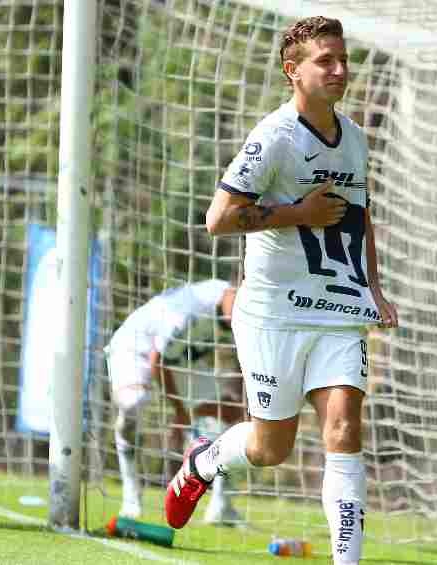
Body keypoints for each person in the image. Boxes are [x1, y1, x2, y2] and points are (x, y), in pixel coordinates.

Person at [164, 16, 398, 565]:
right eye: (326, 61)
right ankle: (203, 463)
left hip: (339, 309)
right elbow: (217, 219)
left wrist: (376, 291)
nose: (341, 70)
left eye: (344, 60)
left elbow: (359, 219)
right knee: (272, 449)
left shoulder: (356, 139)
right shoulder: (273, 138)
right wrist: (298, 213)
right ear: (293, 71)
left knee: (343, 427)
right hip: (273, 314)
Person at [105, 279, 245, 525]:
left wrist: (193, 411)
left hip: (181, 359)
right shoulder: (190, 310)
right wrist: (181, 412)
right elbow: (156, 360)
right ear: (232, 291)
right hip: (136, 347)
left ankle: (221, 504)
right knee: (133, 403)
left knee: (233, 415)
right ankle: (131, 496)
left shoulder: (242, 316)